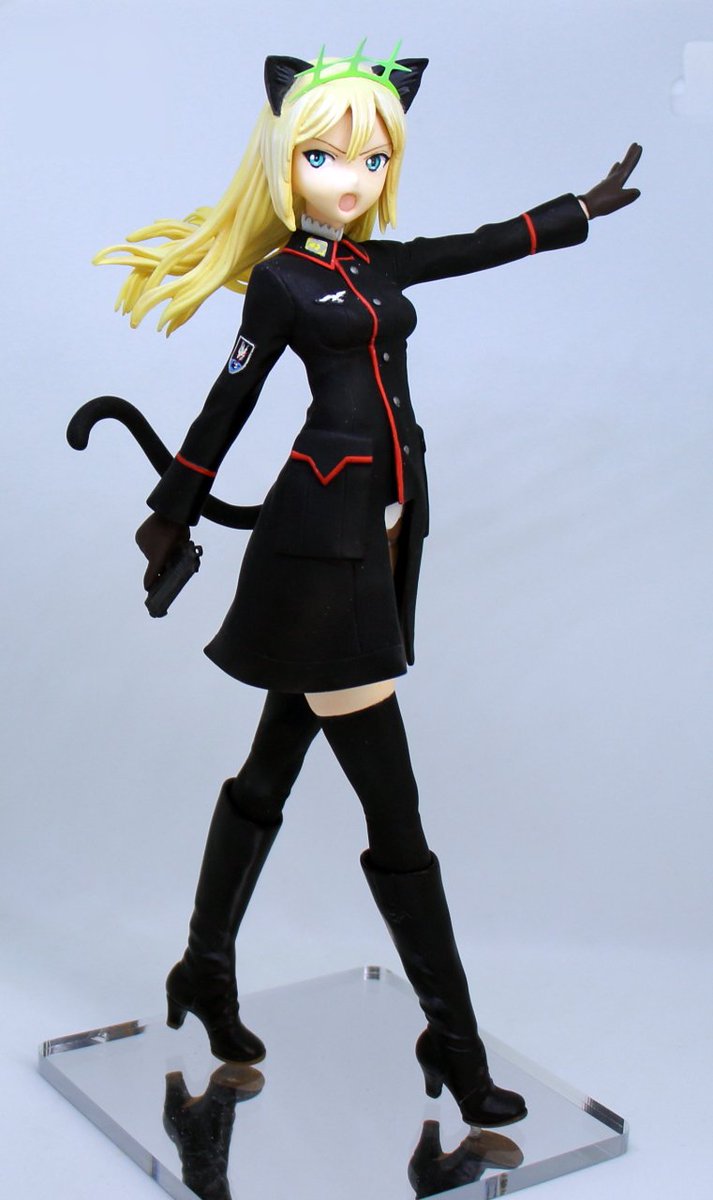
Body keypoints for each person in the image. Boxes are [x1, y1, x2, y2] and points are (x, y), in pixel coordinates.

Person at [95, 44, 641, 1128]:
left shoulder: (378, 265)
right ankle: (455, 1044)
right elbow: (229, 399)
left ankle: (203, 966)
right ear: (283, 162)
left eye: (371, 158)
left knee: (271, 767)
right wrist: (174, 509)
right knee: (395, 811)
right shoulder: (281, 283)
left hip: (381, 539)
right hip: (319, 553)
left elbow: (474, 245)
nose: (348, 177)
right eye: (323, 156)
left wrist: (574, 210)